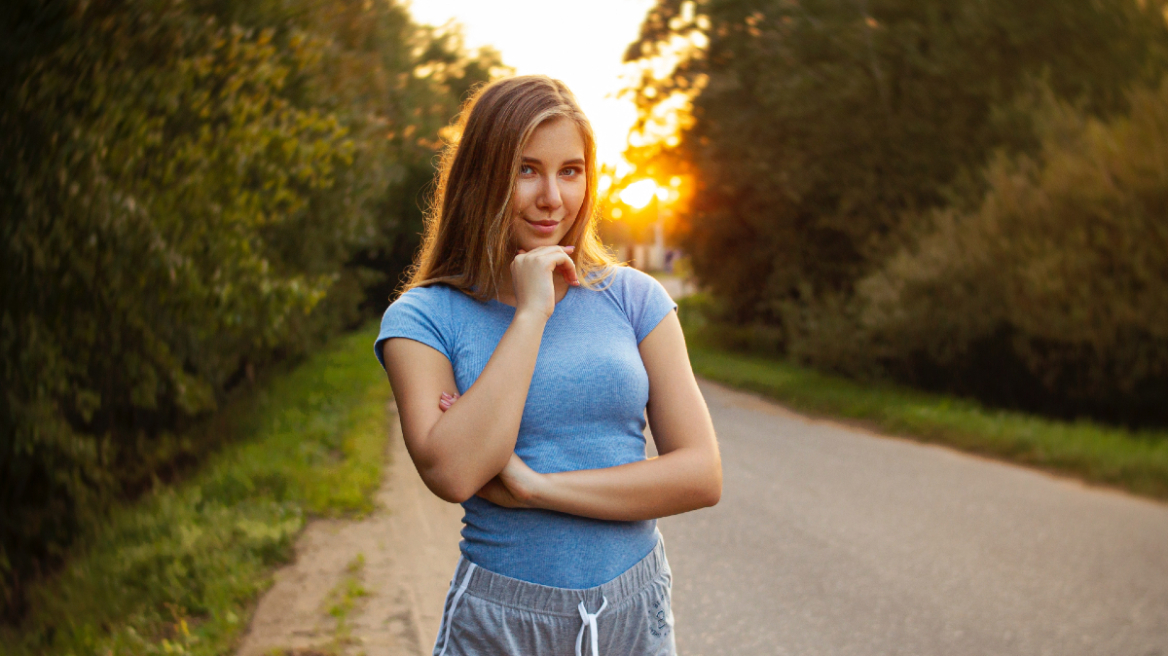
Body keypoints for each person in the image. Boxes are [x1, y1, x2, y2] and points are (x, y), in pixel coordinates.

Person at [375, 75, 721, 656]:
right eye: (526, 169)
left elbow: (700, 474)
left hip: (634, 611)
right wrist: (532, 311)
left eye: (571, 170)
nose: (552, 199)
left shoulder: (634, 298)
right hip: (504, 621)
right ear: (484, 176)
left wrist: (537, 488)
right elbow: (453, 472)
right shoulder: (424, 316)